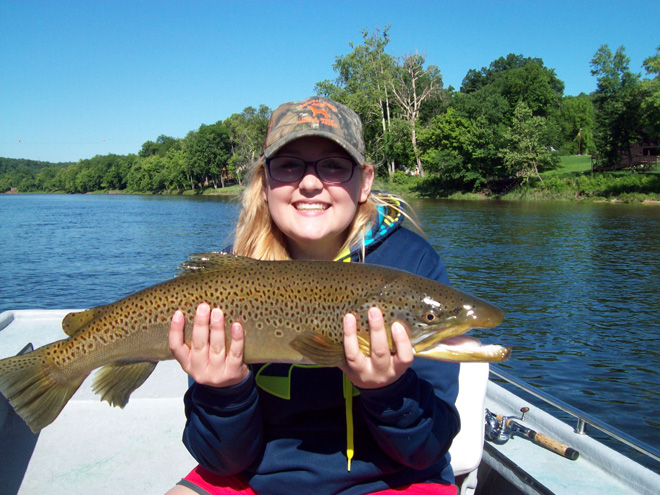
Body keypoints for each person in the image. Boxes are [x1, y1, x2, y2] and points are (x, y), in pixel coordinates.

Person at [165, 96, 460, 495]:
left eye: (334, 166)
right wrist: (224, 392)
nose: (309, 182)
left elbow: (426, 450)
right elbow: (221, 460)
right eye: (289, 166)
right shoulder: (226, 283)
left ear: (365, 181)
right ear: (264, 182)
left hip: (391, 478)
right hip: (256, 476)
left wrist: (388, 391)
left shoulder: (412, 268)